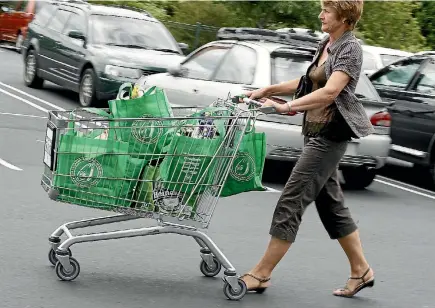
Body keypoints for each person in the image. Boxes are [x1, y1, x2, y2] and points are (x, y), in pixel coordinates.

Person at [240, 0, 376, 298]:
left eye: (327, 10)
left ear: (344, 16)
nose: (321, 14)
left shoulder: (350, 49)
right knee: (331, 205)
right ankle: (361, 271)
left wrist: (285, 107)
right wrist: (268, 90)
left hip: (330, 135)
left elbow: (330, 91)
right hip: (312, 131)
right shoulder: (327, 42)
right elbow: (309, 82)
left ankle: (261, 274)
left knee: (292, 198)